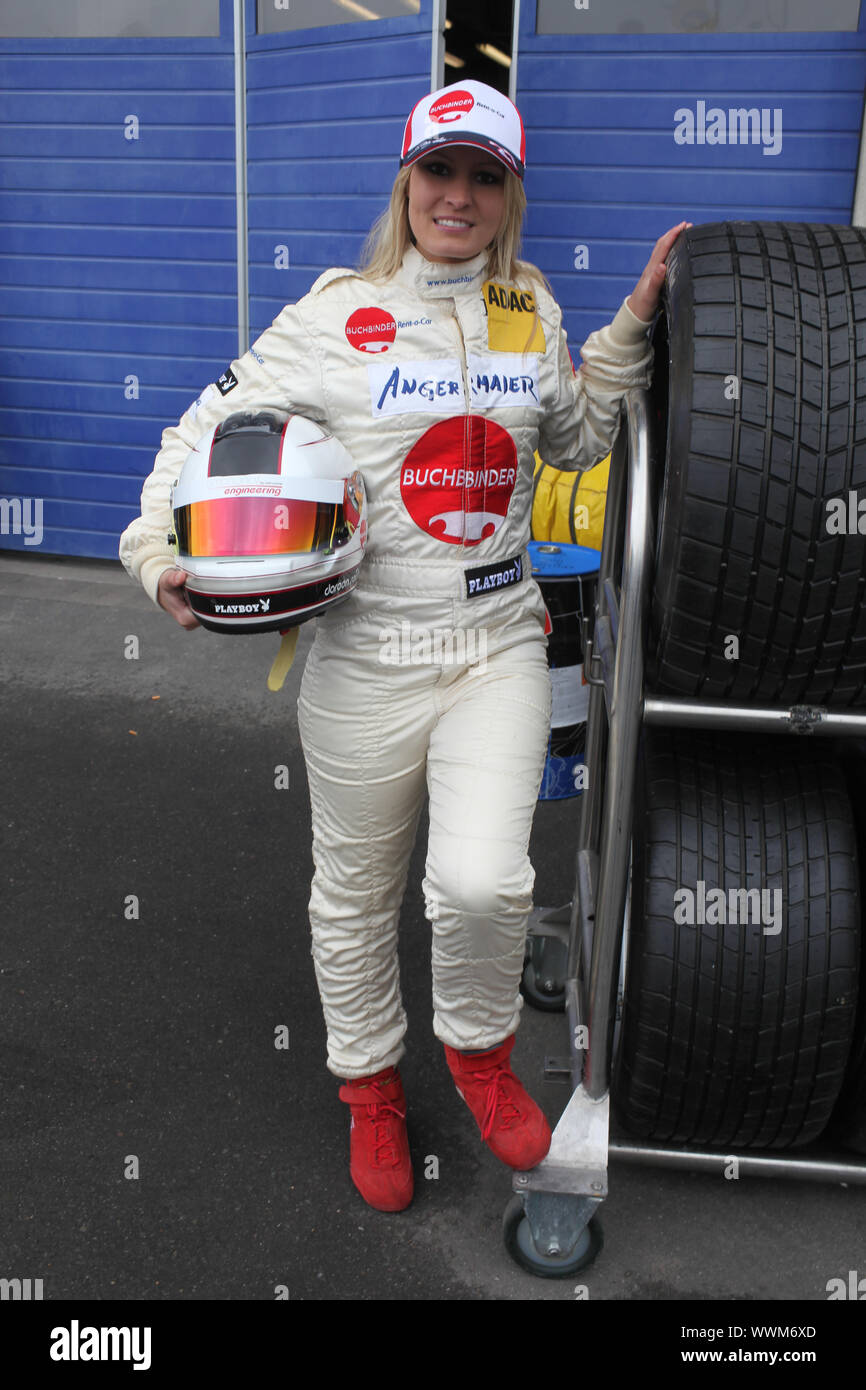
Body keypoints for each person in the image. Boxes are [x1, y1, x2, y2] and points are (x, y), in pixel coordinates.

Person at [119, 79, 688, 1214]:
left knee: (479, 884)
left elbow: (573, 434)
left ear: (510, 194)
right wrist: (152, 548)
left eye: (485, 177)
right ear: (406, 180)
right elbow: (197, 430)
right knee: (355, 890)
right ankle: (369, 1086)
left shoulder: (528, 306)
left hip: (494, 642)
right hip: (365, 653)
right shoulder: (335, 314)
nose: (459, 196)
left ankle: (475, 1058)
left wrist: (629, 324)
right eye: (441, 171)